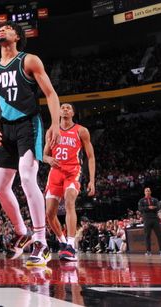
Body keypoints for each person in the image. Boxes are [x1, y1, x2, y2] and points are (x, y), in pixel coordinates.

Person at [0, 22, 61, 266]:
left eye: (7, 28)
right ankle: (22, 231)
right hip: (6, 128)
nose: (1, 30)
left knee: (28, 177)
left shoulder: (29, 60)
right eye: (0, 28)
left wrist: (55, 124)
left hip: (28, 124)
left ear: (17, 36)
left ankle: (42, 242)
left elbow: (50, 94)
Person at [43, 103, 95, 262]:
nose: (65, 109)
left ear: (72, 112)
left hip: (73, 171)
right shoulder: (51, 131)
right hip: (55, 173)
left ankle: (71, 245)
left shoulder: (81, 130)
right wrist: (48, 159)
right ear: (58, 111)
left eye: (68, 108)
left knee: (70, 201)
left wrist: (92, 180)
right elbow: (44, 155)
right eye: (62, 107)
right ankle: (63, 242)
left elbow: (90, 157)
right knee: (49, 214)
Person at [137, 187, 161, 256]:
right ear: (144, 192)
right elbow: (140, 209)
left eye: (149, 191)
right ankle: (148, 251)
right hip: (146, 219)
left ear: (150, 192)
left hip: (155, 219)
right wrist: (148, 208)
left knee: (159, 235)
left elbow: (158, 207)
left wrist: (153, 208)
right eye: (146, 191)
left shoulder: (155, 199)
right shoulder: (141, 200)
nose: (147, 192)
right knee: (147, 236)